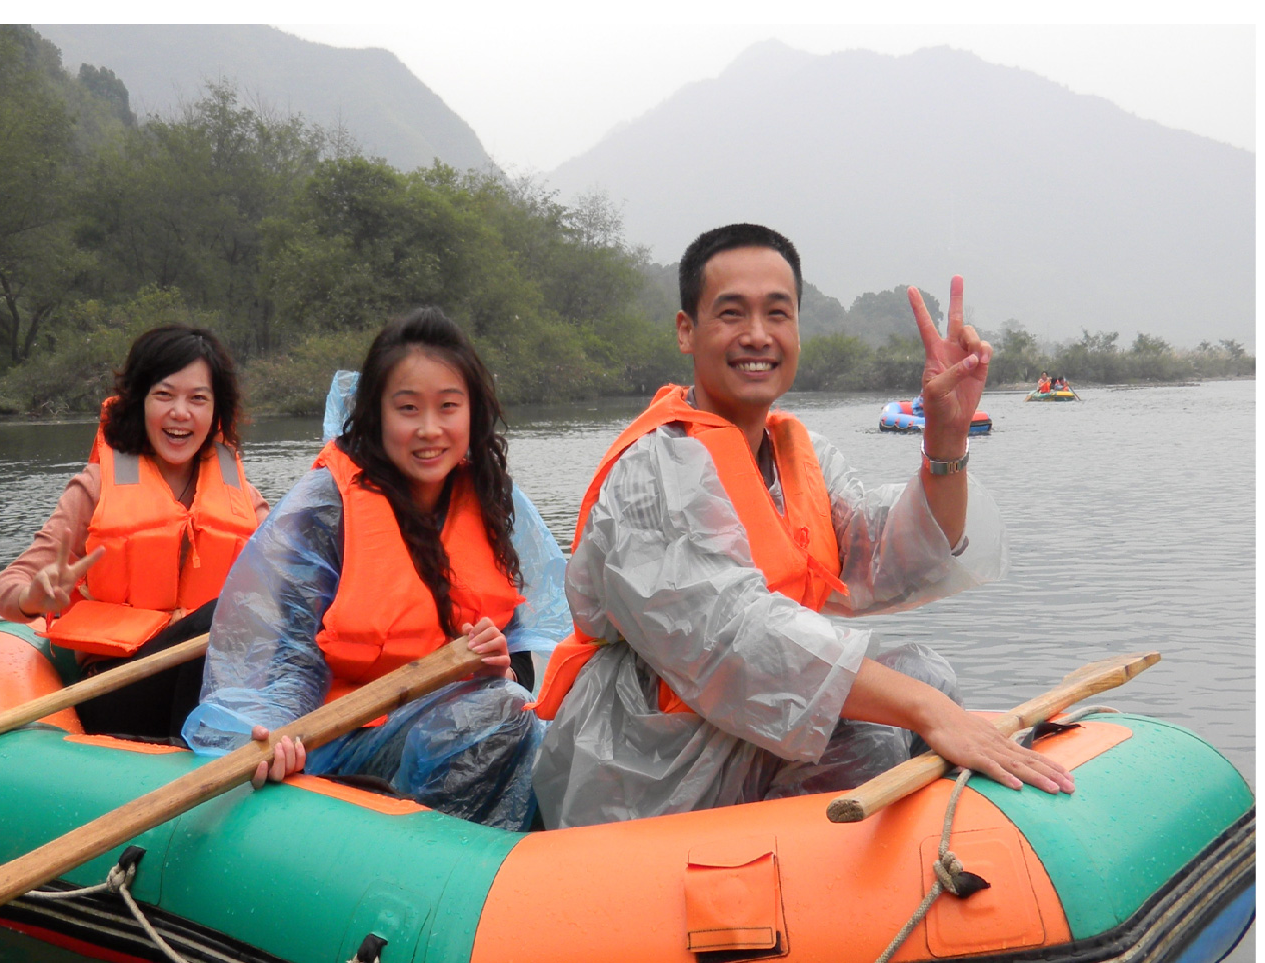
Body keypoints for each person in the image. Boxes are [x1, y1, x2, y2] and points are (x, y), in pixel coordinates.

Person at [532, 223, 1075, 828]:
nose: (757, 335)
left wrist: (945, 437)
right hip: (653, 763)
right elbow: (733, 640)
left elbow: (896, 554)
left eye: (777, 313)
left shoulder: (800, 455)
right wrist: (926, 711)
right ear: (686, 331)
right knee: (899, 711)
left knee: (925, 676)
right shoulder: (652, 472)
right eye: (731, 313)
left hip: (753, 719)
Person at [182, 307, 568, 831]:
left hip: (456, 727)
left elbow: (522, 655)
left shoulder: (491, 496)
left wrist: (499, 667)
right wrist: (278, 733)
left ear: (473, 412)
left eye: (448, 407)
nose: (429, 429)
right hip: (341, 738)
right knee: (497, 714)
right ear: (377, 415)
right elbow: (290, 657)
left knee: (522, 715)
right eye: (407, 409)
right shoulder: (330, 505)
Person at [0, 325, 269, 740]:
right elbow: (7, 588)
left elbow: (292, 576)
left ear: (216, 412)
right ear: (139, 402)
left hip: (207, 682)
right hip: (116, 685)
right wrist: (35, 595)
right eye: (164, 395)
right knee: (219, 615)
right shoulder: (96, 486)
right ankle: (192, 755)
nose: (181, 413)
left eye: (198, 399)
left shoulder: (243, 497)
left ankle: (221, 743)